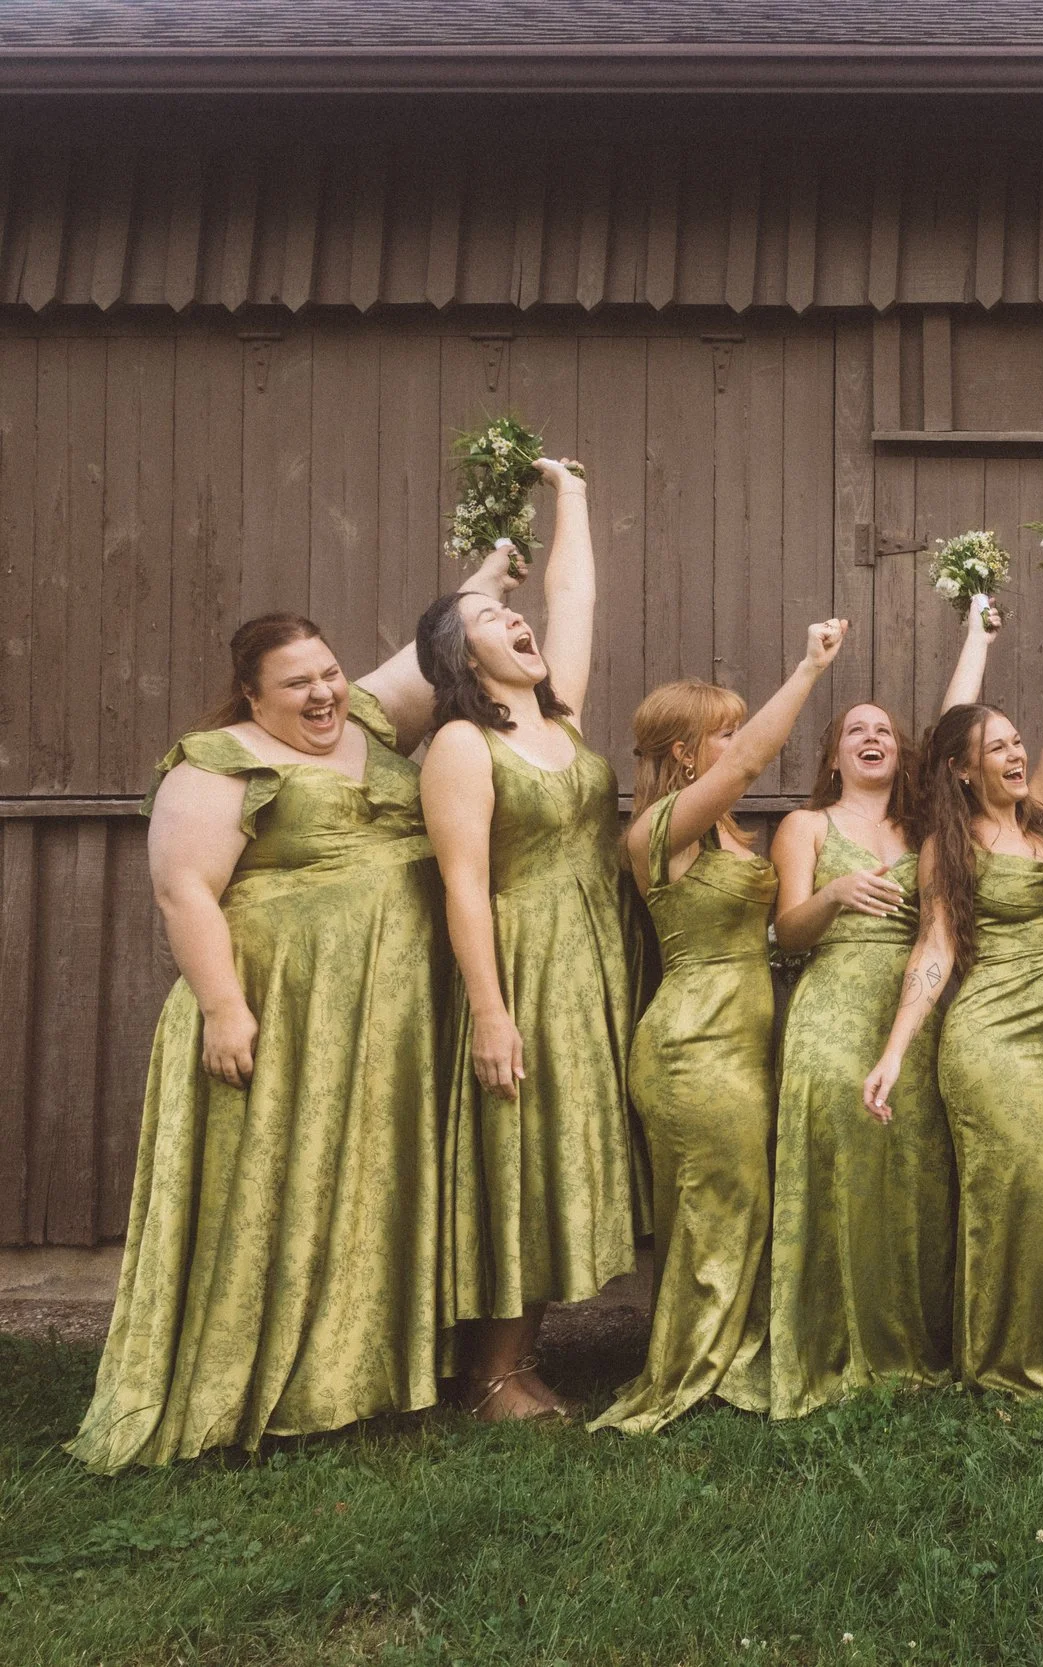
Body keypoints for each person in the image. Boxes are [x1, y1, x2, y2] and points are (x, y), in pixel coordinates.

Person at [69, 554, 515, 1472]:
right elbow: (184, 890)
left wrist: (496, 569)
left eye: (329, 672)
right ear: (250, 694)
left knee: (370, 1183)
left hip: (385, 1022)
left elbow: (435, 644)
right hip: (283, 1016)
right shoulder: (218, 760)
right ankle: (255, 1387)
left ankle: (360, 1376)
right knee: (279, 1189)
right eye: (297, 684)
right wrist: (224, 1008)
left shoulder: (366, 719)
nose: (322, 694)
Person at [589, 621, 848, 1434]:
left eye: (738, 728)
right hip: (693, 1044)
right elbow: (746, 766)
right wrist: (808, 668)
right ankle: (691, 1368)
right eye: (725, 732)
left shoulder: (726, 834)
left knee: (739, 1201)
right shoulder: (658, 831)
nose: (739, 744)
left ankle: (730, 1352)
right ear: (684, 752)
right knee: (713, 1206)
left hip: (741, 1040)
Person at [421, 455, 636, 1422]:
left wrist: (571, 494)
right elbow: (464, 885)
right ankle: (489, 1374)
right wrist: (492, 1013)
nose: (517, 621)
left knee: (559, 1149)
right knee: (515, 1149)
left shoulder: (562, 720)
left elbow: (574, 597)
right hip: (522, 964)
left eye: (515, 615)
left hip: (591, 959)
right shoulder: (464, 746)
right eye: (490, 619)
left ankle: (520, 1356)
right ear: (462, 660)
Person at [862, 577, 1043, 1395]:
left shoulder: (1042, 813)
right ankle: (1004, 1365)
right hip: (990, 1043)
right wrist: (896, 1050)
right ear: (964, 770)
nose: (1015, 752)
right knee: (1014, 1189)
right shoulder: (951, 844)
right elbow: (933, 948)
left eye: (1016, 741)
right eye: (995, 747)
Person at [766, 615, 987, 1412]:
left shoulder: (927, 828)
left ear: (902, 754)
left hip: (912, 1010)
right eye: (855, 730)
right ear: (833, 755)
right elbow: (788, 932)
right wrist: (831, 893)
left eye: (884, 730)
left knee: (915, 1162)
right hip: (830, 1003)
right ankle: (828, 1337)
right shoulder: (805, 826)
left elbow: (958, 718)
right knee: (841, 1156)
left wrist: (977, 630)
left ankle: (909, 1340)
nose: (872, 737)